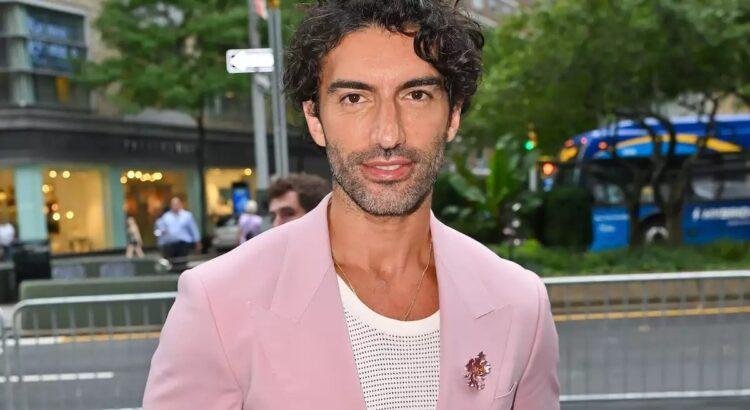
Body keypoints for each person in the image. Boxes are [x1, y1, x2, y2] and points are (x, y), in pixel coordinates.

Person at [144, 1, 559, 409]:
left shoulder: (519, 301)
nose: (388, 135)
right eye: (354, 99)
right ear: (315, 119)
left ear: (452, 116)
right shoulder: (219, 301)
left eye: (416, 95)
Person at [154, 197, 200, 263]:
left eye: (176, 204)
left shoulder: (187, 215)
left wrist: (197, 241)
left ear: (180, 204)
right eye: (173, 204)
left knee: (182, 262)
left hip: (183, 243)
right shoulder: (166, 216)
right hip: (170, 244)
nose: (175, 206)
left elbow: (193, 229)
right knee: (172, 263)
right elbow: (160, 229)